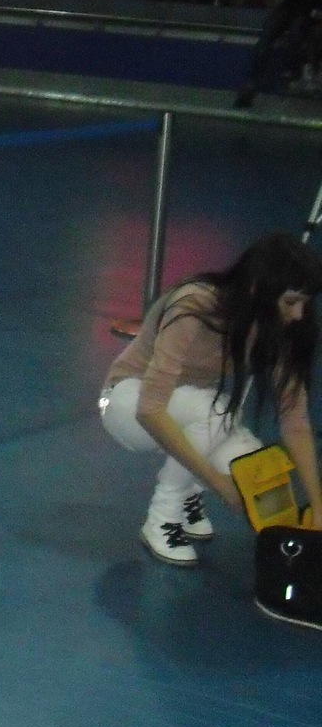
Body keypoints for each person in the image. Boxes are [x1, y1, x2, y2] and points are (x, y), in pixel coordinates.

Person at [101, 231, 322, 565]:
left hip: (192, 408)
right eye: (291, 302)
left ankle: (187, 492)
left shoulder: (278, 329)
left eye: (305, 303)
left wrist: (318, 506)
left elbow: (296, 424)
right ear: (258, 290)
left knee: (251, 467)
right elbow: (150, 409)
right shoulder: (194, 305)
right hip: (126, 402)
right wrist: (217, 483)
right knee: (217, 412)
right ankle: (162, 518)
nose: (299, 314)